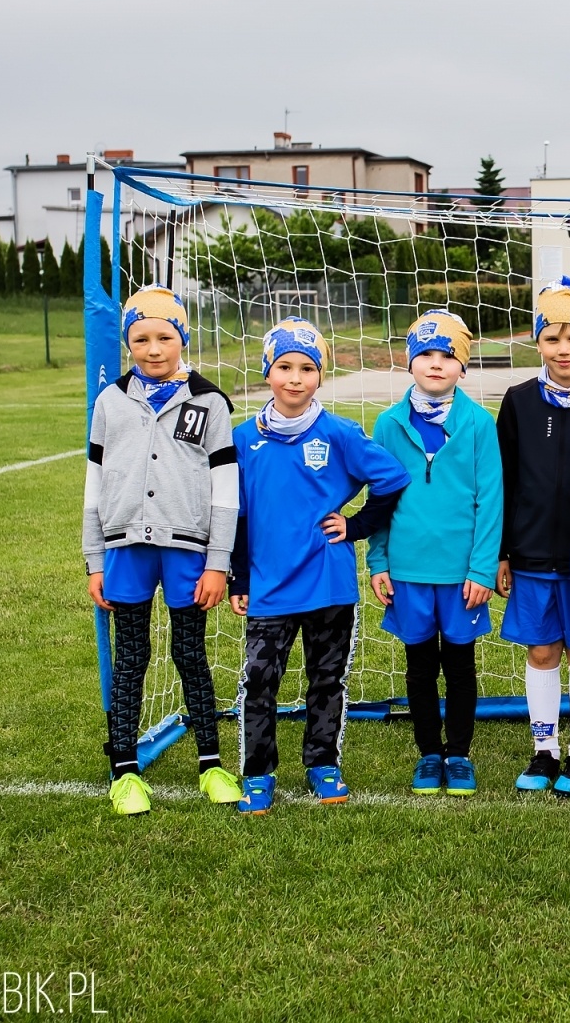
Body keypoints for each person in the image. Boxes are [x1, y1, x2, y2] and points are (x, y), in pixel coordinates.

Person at [229, 318, 411, 815]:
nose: (295, 378)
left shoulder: (339, 433)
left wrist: (353, 527)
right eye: (284, 366)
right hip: (267, 587)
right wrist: (239, 576)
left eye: (306, 368)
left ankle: (322, 763)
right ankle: (259, 772)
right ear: (267, 371)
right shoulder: (244, 440)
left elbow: (393, 480)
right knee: (260, 680)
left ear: (320, 376)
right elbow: (237, 514)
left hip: (329, 584)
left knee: (326, 680)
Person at [83, 286, 243, 816]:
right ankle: (125, 772)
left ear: (183, 338)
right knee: (131, 657)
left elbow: (225, 493)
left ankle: (211, 764)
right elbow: (94, 483)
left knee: (189, 654)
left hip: (188, 552)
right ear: (128, 342)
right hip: (125, 548)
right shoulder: (109, 402)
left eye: (164, 337)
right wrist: (94, 559)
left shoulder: (210, 401)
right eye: (140, 339)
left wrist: (218, 563)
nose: (153, 349)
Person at [368, 311, 503, 798]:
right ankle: (429, 752)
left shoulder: (478, 424)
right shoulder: (387, 424)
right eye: (425, 354)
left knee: (461, 665)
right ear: (409, 363)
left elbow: (491, 501)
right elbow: (379, 499)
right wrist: (378, 561)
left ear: (462, 368)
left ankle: (460, 752)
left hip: (461, 573)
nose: (436, 364)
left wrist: (482, 567)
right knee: (420, 664)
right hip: (407, 571)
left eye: (448, 356)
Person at [495, 280, 570, 794]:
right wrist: (501, 551)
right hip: (530, 554)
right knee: (542, 652)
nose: (562, 350)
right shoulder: (519, 401)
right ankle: (544, 749)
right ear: (537, 344)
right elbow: (504, 479)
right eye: (551, 339)